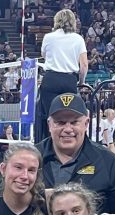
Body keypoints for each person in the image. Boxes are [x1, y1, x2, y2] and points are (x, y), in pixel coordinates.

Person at [37, 94, 115, 214]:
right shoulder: (32, 159)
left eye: (74, 122)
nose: (68, 129)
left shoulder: (108, 162)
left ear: (86, 123)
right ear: (49, 125)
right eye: (60, 122)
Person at [37, 9, 87, 141]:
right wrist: (81, 82)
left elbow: (44, 55)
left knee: (50, 116)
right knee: (68, 116)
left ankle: (49, 148)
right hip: (68, 80)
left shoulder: (49, 37)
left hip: (51, 79)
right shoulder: (78, 39)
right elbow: (84, 66)